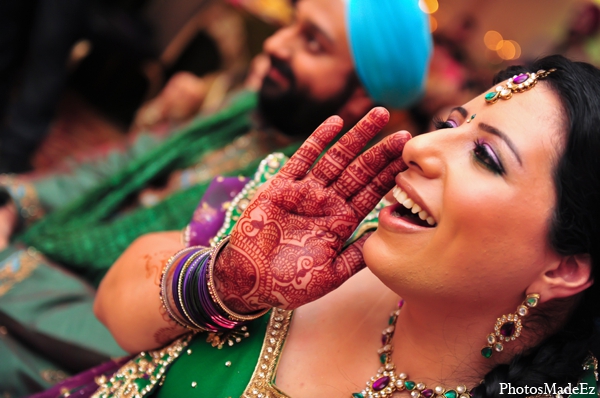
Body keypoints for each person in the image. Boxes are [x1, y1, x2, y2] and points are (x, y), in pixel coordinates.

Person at [81, 54, 600, 398]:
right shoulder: (316, 227)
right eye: (449, 124)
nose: (418, 146)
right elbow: (112, 302)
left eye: (486, 156)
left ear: (566, 268)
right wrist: (222, 286)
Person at [0, 0, 432, 396]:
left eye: (312, 43)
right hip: (53, 261)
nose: (276, 45)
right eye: (291, 26)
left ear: (361, 95)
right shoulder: (246, 110)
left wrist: (13, 268)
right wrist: (13, 201)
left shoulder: (317, 214)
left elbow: (170, 343)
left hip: (101, 337)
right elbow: (117, 167)